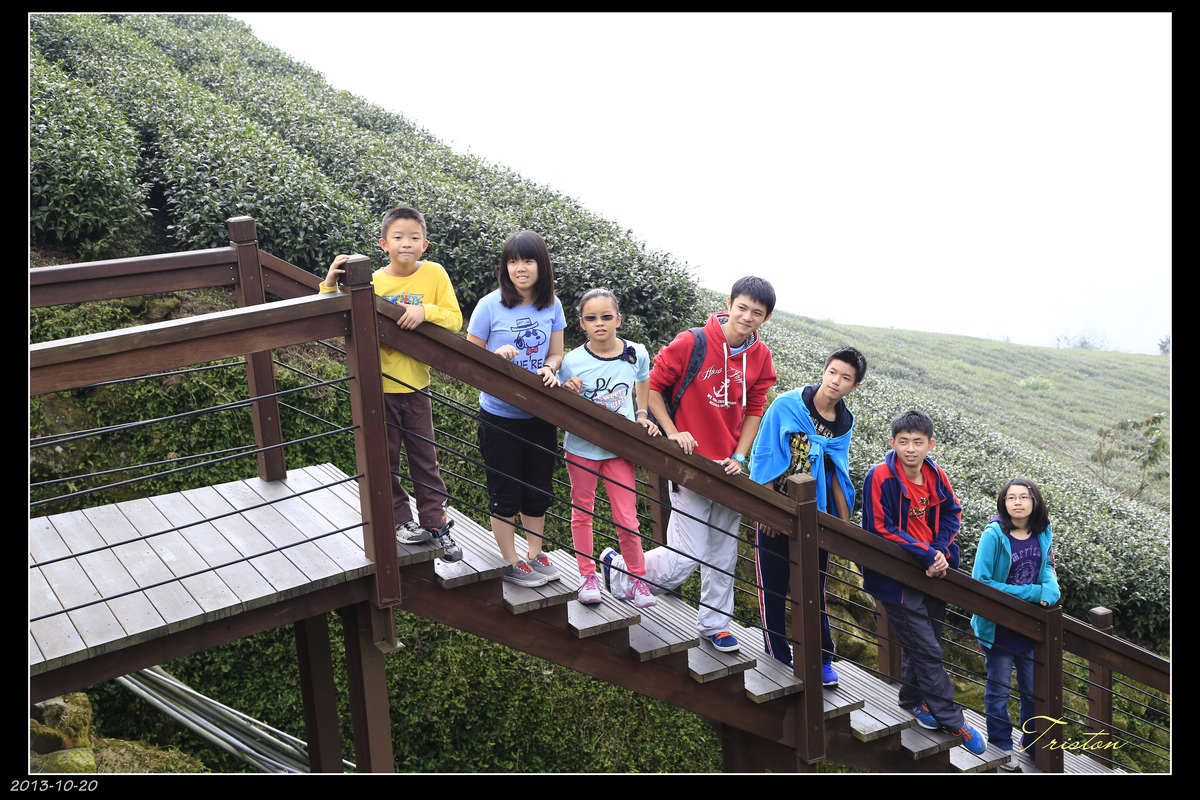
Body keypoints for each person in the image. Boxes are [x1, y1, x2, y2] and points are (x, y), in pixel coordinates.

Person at [602, 276, 778, 653]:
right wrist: (672, 431)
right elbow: (651, 386)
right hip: (690, 465)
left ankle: (715, 624)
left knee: (723, 553)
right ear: (729, 303)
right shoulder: (693, 341)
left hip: (728, 471)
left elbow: (754, 409)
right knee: (687, 555)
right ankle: (620, 571)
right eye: (742, 307)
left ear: (765, 318)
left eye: (757, 313)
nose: (747, 317)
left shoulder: (760, 356)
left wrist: (740, 456)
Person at [321, 205, 463, 561]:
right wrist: (329, 284)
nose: (406, 243)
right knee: (386, 460)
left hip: (416, 386)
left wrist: (425, 311)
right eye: (398, 237)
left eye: (414, 237)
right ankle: (401, 520)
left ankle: (436, 523)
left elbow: (454, 318)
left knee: (425, 458)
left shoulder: (434, 274)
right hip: (378, 386)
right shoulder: (374, 281)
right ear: (384, 243)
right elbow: (335, 321)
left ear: (425, 244)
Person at [859, 409, 986, 755]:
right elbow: (880, 528)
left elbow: (952, 512)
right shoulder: (880, 476)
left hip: (933, 573)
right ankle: (953, 720)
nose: (911, 449)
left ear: (931, 444)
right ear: (892, 443)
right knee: (927, 647)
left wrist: (939, 551)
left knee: (928, 638)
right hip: (896, 577)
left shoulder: (934, 473)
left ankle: (912, 699)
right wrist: (927, 553)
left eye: (918, 442)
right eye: (904, 442)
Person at [749, 346, 867, 687]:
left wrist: (843, 526)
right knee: (773, 585)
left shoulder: (844, 423)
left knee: (813, 588)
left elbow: (837, 470)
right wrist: (768, 509)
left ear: (854, 386)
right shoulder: (788, 405)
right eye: (832, 372)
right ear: (824, 370)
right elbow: (765, 453)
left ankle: (822, 656)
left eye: (845, 377)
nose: (836, 381)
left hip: (816, 516)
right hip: (777, 507)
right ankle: (776, 651)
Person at [466, 230, 566, 587]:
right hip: (499, 415)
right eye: (512, 261)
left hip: (540, 414)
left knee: (538, 488)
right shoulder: (489, 305)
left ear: (542, 265)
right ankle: (510, 560)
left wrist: (550, 367)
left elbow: (556, 352)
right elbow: (469, 355)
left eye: (527, 260)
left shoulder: (552, 304)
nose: (520, 268)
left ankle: (534, 553)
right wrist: (495, 357)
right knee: (505, 490)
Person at [558, 289, 661, 607]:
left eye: (606, 316)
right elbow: (562, 399)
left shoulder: (636, 352)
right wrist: (568, 389)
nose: (599, 323)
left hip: (620, 448)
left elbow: (644, 379)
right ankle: (586, 575)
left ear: (618, 319)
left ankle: (638, 579)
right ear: (582, 323)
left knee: (628, 518)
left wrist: (642, 414)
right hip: (581, 447)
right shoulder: (571, 361)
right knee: (582, 512)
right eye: (591, 318)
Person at [970, 478, 1060, 770]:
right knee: (998, 691)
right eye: (1011, 497)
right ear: (1004, 503)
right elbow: (982, 582)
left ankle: (1031, 743)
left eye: (1024, 496)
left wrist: (1051, 590)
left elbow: (1047, 566)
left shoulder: (1042, 530)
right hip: (998, 627)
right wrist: (1034, 593)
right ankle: (1000, 746)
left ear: (1035, 501)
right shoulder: (994, 535)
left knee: (1032, 691)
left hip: (1029, 628)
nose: (1017, 502)